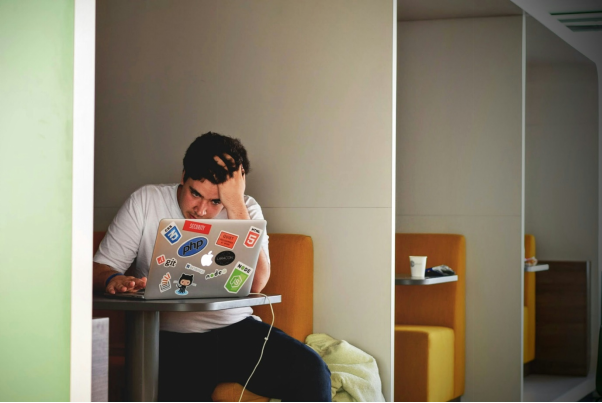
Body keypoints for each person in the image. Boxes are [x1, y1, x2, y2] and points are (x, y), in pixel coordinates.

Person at [92, 132, 332, 402]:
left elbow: (257, 283)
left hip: (236, 330)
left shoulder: (245, 208)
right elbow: (99, 268)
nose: (202, 210)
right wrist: (113, 278)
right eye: (195, 194)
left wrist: (235, 205)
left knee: (312, 370)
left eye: (215, 201)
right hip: (169, 337)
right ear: (183, 176)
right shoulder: (145, 201)